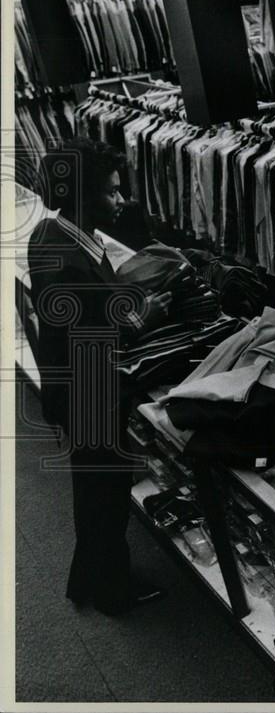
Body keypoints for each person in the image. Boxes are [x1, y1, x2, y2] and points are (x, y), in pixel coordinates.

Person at [28, 138, 172, 616]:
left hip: (75, 394)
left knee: (93, 491)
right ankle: (113, 593)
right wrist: (141, 317)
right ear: (84, 196)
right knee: (106, 495)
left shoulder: (55, 234)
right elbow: (88, 337)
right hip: (89, 396)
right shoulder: (67, 259)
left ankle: (87, 580)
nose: (120, 200)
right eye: (111, 192)